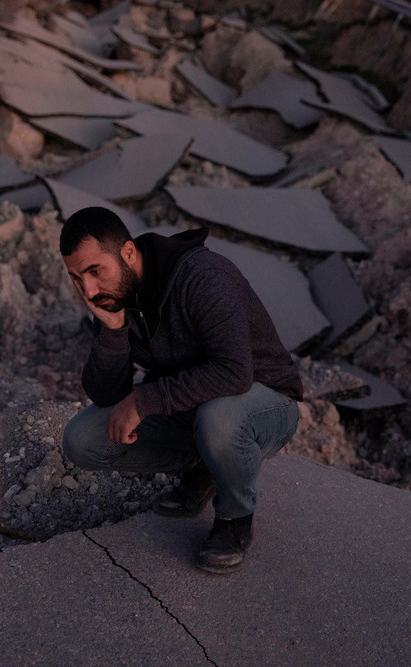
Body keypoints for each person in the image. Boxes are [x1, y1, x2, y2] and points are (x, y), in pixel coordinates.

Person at [59, 206, 303, 574]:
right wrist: (112, 331)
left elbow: (235, 372)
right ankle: (206, 466)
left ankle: (235, 518)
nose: (89, 290)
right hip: (197, 405)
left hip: (265, 401)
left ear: (127, 253)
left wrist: (145, 399)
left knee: (219, 419)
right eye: (77, 278)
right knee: (81, 439)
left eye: (95, 271)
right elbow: (106, 395)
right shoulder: (115, 296)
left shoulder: (204, 277)